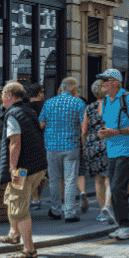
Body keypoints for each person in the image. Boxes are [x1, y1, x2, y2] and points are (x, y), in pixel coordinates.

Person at [0, 81, 48, 258]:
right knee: (11, 197)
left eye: (2, 94)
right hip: (37, 165)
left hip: (23, 169)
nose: (1, 98)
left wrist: (12, 168)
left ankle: (29, 250)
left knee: (19, 209)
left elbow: (15, 142)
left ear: (9, 95)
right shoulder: (27, 110)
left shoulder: (12, 114)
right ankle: (14, 234)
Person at [97, 68, 129, 240]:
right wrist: (104, 132)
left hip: (126, 149)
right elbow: (108, 124)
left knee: (117, 188)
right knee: (114, 188)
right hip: (112, 150)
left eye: (105, 80)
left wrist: (115, 132)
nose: (102, 83)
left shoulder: (127, 98)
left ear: (116, 82)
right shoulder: (106, 100)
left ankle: (126, 226)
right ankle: (121, 225)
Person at [39, 77, 86, 223]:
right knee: (70, 180)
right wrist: (83, 145)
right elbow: (84, 128)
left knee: (54, 179)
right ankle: (70, 213)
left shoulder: (49, 102)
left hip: (52, 146)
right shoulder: (79, 103)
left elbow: (41, 124)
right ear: (73, 89)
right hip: (71, 146)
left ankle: (55, 210)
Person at [82, 80, 113, 224]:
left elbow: (84, 130)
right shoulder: (112, 106)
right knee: (109, 179)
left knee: (98, 180)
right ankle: (107, 206)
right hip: (109, 143)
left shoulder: (89, 108)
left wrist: (85, 146)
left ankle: (101, 212)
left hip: (93, 144)